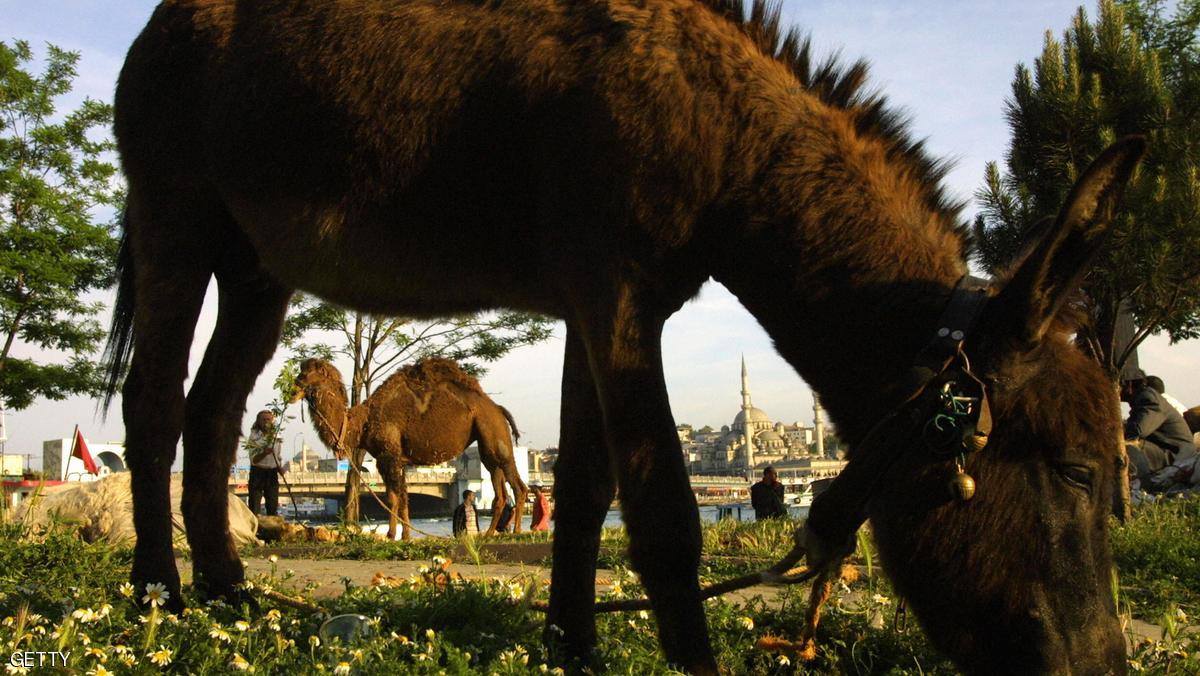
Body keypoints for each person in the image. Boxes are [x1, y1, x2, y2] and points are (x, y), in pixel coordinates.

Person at [1122, 371, 1197, 492]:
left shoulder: (1149, 398)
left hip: (1176, 456)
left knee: (1127, 448)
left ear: (1129, 385)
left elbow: (1138, 431)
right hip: (1166, 451)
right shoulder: (1140, 399)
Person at [246, 410, 282, 516]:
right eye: (264, 419)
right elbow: (254, 460)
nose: (266, 422)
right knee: (254, 506)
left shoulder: (276, 436)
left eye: (269, 419)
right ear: (259, 422)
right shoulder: (254, 437)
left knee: (272, 506)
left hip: (272, 473)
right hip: (258, 472)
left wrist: (280, 467)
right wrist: (264, 453)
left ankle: (271, 531)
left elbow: (278, 455)